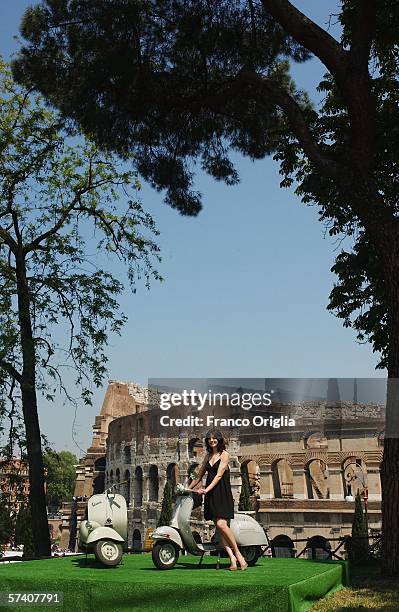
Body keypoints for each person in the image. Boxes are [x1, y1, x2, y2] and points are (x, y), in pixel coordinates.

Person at [188, 430, 248, 571]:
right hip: (210, 495)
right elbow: (199, 475)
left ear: (219, 440)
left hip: (221, 493)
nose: (212, 441)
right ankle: (232, 559)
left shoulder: (225, 455)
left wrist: (206, 490)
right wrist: (186, 488)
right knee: (220, 530)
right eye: (209, 439)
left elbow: (219, 475)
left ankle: (239, 555)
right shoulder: (208, 455)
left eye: (214, 438)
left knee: (222, 525)